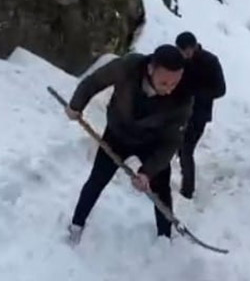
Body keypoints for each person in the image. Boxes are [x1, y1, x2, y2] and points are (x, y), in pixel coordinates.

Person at [64, 45, 194, 245]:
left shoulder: (183, 97)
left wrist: (147, 172)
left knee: (161, 189)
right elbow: (94, 82)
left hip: (153, 142)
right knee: (97, 180)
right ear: (151, 69)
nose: (169, 89)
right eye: (164, 82)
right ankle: (76, 225)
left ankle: (164, 236)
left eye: (174, 83)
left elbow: (171, 141)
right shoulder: (128, 66)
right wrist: (76, 105)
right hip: (118, 134)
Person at [175, 32, 226, 199]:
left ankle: (187, 190)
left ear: (193, 47)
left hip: (199, 114)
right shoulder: (180, 59)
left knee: (186, 150)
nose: (183, 55)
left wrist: (197, 93)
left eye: (185, 51)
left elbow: (220, 89)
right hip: (179, 110)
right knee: (178, 146)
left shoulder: (210, 61)